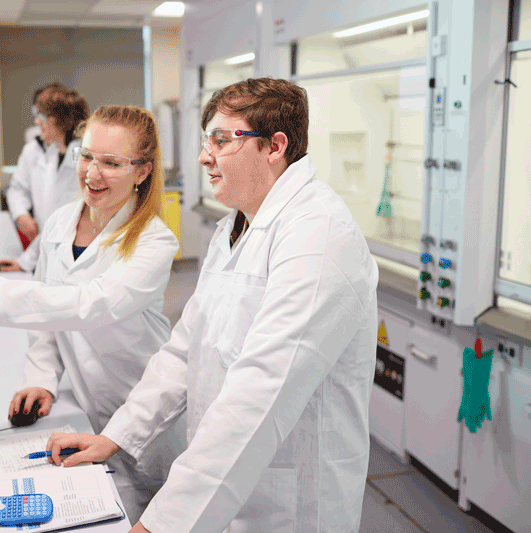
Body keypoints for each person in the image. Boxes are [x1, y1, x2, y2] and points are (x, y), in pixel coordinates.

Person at [46, 78, 380, 533]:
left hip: (287, 506)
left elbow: (259, 397)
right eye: (207, 142)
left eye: (222, 141)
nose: (205, 157)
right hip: (228, 489)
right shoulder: (236, 229)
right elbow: (185, 352)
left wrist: (162, 525)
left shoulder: (318, 238)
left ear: (274, 147)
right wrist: (115, 437)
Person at [0, 105, 187, 524]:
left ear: (142, 171)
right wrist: (41, 379)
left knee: (153, 509)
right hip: (88, 404)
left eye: (111, 163)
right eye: (87, 156)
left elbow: (92, 304)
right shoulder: (58, 224)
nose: (92, 173)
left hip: (146, 409)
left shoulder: (154, 241)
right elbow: (49, 315)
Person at [0, 83, 88, 272]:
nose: (37, 122)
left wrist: (25, 262)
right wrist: (21, 215)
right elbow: (19, 189)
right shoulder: (51, 153)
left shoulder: (84, 161)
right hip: (47, 250)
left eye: (42, 116)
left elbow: (60, 227)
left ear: (61, 120)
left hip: (74, 258)